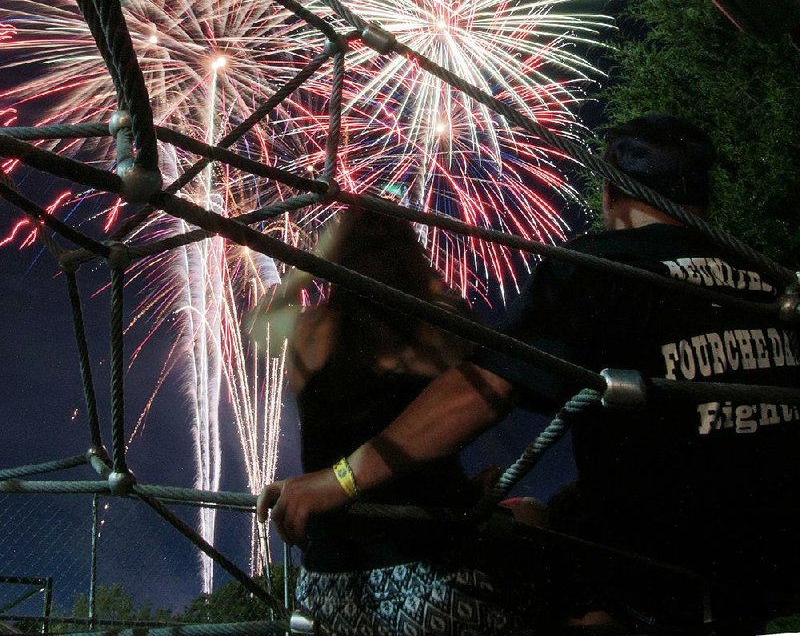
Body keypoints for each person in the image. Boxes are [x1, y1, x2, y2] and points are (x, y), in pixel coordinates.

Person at [260, 115, 800, 635]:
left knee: (548, 530)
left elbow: (490, 388)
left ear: (612, 195)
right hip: (770, 559)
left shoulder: (598, 268)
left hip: (658, 570)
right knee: (542, 516)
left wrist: (340, 479)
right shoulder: (775, 279)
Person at [259, 207, 543, 636]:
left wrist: (313, 259)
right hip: (439, 577)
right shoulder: (442, 327)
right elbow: (487, 387)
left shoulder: (308, 330)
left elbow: (259, 325)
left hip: (330, 588)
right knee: (536, 523)